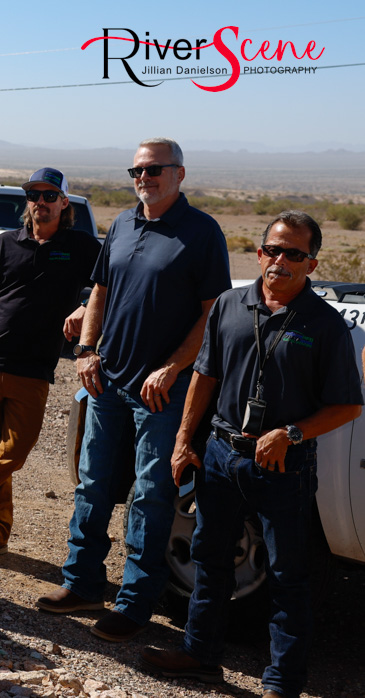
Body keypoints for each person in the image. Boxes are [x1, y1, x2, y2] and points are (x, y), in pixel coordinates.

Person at [141, 211, 363, 698]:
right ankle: (200, 655)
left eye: (294, 254)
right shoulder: (229, 304)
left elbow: (348, 405)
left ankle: (282, 681)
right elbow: (205, 376)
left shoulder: (324, 325)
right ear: (259, 253)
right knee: (210, 559)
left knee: (288, 576)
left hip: (283, 467)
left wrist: (292, 433)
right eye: (273, 250)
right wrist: (184, 441)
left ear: (311, 264)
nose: (280, 261)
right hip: (221, 455)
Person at [37, 138, 231, 642]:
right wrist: (86, 350)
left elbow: (212, 313)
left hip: (163, 392)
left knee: (150, 495)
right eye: (137, 171)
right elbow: (100, 292)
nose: (144, 178)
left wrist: (171, 367)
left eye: (154, 169)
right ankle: (81, 584)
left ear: (180, 174)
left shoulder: (202, 232)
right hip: (108, 380)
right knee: (93, 483)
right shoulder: (123, 224)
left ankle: (135, 603)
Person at [0, 167, 101, 561]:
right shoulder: (5, 243)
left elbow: (108, 285)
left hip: (33, 369)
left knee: (13, 452)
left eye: (49, 196)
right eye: (33, 195)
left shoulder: (81, 246)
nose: (40, 202)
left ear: (64, 202)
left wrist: (84, 306)